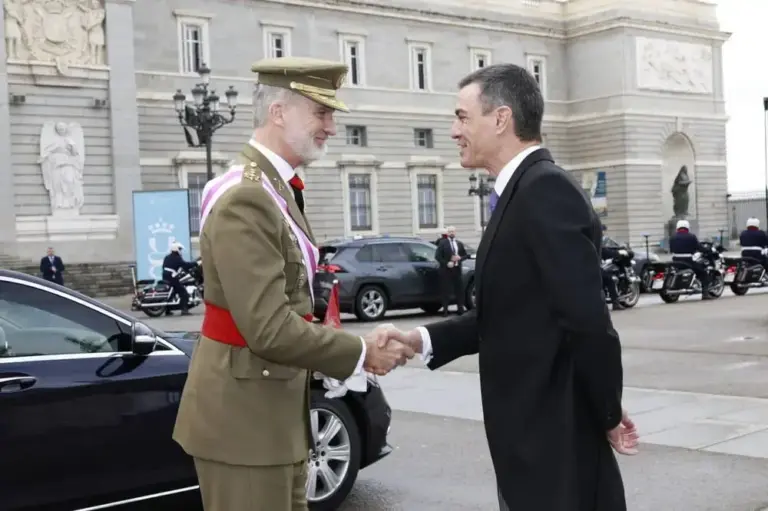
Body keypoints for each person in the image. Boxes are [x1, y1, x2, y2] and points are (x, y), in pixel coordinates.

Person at [383, 64, 638, 511]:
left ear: (500, 119)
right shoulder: (522, 191)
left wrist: (608, 412)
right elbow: (510, 312)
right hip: (534, 441)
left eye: (462, 117)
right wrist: (419, 340)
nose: (453, 130)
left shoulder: (544, 191)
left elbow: (588, 321)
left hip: (554, 441)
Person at [172, 56, 413, 511]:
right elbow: (267, 326)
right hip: (245, 425)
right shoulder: (247, 196)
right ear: (278, 112)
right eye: (321, 113)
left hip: (271, 417)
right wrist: (361, 352)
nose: (332, 127)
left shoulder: (271, 188)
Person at [669, 219, 711, 299]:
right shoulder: (691, 236)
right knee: (703, 272)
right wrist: (707, 250)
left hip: (675, 260)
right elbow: (699, 248)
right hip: (687, 260)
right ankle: (705, 293)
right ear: (687, 227)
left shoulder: (672, 237)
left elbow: (671, 249)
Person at [434, 226, 468, 315]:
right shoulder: (443, 243)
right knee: (446, 290)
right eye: (449, 232)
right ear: (447, 233)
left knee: (459, 290)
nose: (451, 233)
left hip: (457, 269)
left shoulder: (459, 243)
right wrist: (446, 263)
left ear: (455, 232)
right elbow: (437, 256)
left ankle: (460, 309)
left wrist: (460, 258)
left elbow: (465, 255)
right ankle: (445, 310)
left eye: (453, 231)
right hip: (446, 270)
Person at [161, 242, 197, 315]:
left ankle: (167, 310)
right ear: (176, 249)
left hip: (165, 275)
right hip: (171, 276)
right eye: (180, 249)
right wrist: (194, 263)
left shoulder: (167, 257)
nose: (180, 250)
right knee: (183, 292)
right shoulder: (177, 257)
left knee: (172, 292)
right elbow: (185, 265)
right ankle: (184, 310)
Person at [600, 225, 625, 311]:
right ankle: (615, 303)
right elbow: (605, 252)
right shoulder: (597, 240)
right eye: (603, 230)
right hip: (593, 267)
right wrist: (617, 253)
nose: (604, 232)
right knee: (609, 279)